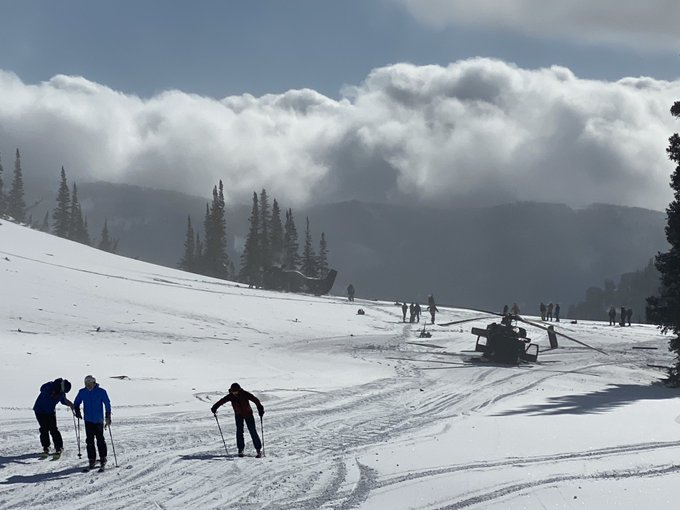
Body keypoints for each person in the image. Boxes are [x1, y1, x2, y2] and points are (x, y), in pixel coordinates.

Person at [211, 382, 265, 458]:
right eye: (233, 391)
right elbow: (222, 401)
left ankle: (258, 449)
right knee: (239, 432)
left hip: (248, 415)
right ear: (231, 391)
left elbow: (255, 400)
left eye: (236, 391)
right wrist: (215, 407)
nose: (235, 393)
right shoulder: (230, 396)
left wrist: (260, 408)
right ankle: (240, 449)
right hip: (238, 415)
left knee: (252, 431)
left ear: (239, 390)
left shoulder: (245, 394)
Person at [73, 375, 112, 470]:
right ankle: (92, 459)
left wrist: (108, 415)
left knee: (100, 440)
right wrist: (77, 410)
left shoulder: (101, 392)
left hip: (98, 420)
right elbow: (76, 402)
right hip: (88, 420)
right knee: (89, 441)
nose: (88, 385)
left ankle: (103, 458)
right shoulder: (82, 392)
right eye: (86, 384)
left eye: (90, 383)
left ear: (94, 383)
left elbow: (107, 403)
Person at [33, 378, 73, 456]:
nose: (63, 392)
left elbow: (63, 400)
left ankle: (59, 447)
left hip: (50, 411)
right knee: (44, 429)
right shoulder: (49, 386)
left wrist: (71, 405)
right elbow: (42, 389)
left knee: (53, 429)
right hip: (39, 410)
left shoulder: (61, 393)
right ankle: (46, 447)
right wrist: (53, 392)